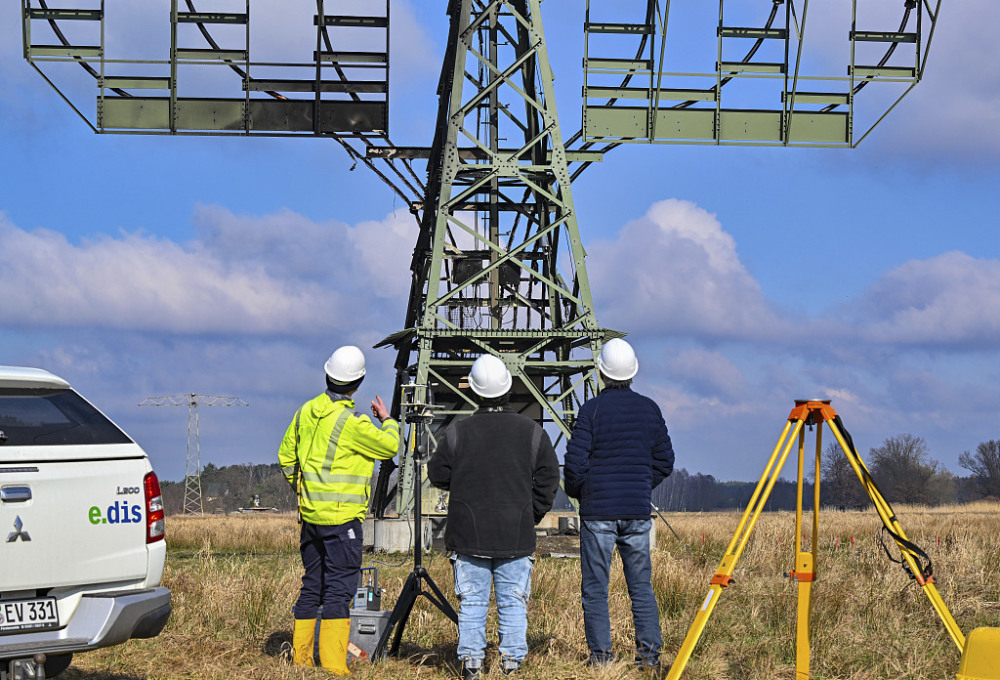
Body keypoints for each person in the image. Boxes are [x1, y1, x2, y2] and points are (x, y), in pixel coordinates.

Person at [427, 354, 560, 678]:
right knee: (513, 604)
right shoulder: (532, 433)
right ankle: (511, 665)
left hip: (468, 535)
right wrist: (532, 514)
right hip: (515, 534)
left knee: (472, 604)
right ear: (507, 388)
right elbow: (549, 478)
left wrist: (463, 481)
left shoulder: (458, 433)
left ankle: (472, 664)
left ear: (474, 390)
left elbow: (437, 473)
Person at [278, 345, 400, 675]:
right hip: (342, 520)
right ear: (358, 383)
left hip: (311, 518)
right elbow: (390, 446)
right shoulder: (353, 423)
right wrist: (388, 420)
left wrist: (304, 493)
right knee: (339, 590)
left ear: (327, 374)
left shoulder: (305, 412)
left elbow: (286, 457)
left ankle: (302, 660)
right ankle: (333, 665)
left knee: (312, 585)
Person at [564, 338, 674, 671]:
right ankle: (649, 661)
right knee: (641, 587)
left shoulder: (591, 410)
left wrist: (584, 493)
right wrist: (640, 487)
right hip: (637, 513)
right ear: (633, 372)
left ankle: (601, 661)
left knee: (596, 589)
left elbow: (574, 466)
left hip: (598, 514)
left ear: (602, 373)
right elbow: (665, 461)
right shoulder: (650, 409)